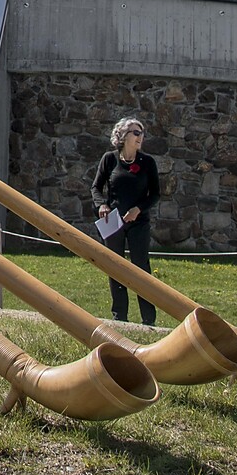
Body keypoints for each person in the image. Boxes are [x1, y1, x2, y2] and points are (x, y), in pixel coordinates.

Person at [92, 116, 161, 325]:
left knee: (141, 267)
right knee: (116, 267)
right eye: (136, 132)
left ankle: (148, 319)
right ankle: (119, 317)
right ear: (123, 136)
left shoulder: (147, 162)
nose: (140, 137)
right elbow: (96, 187)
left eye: (142, 133)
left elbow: (155, 194)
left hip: (138, 222)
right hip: (113, 221)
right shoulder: (109, 159)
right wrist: (101, 205)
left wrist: (138, 210)